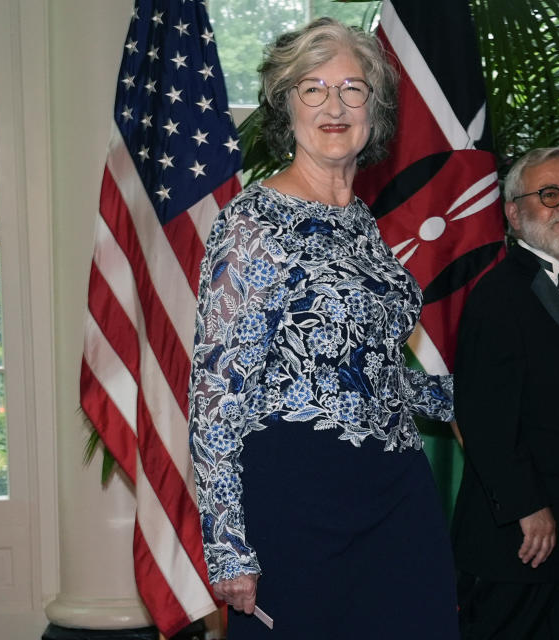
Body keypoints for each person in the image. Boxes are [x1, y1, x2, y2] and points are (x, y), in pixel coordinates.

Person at [187, 18, 459, 640]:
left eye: (353, 89)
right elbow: (217, 396)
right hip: (299, 499)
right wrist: (227, 545)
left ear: (375, 108)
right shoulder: (253, 223)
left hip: (395, 494)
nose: (334, 106)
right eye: (313, 89)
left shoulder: (362, 220)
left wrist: (467, 393)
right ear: (287, 106)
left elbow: (365, 369)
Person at [450, 147, 559, 639]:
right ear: (513, 212)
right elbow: (483, 416)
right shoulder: (499, 295)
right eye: (549, 194)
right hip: (523, 543)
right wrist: (527, 506)